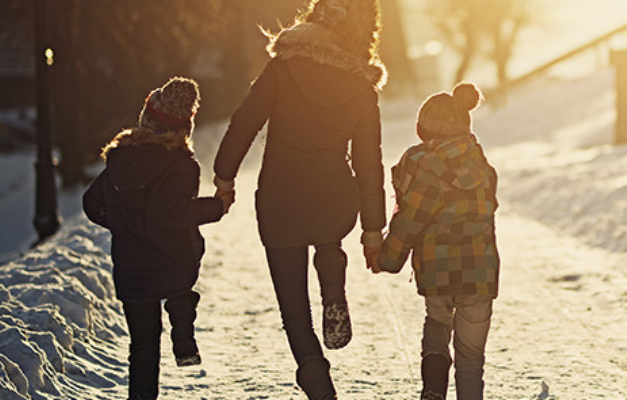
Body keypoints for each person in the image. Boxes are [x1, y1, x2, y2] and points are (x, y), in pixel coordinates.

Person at [211, 0, 387, 398]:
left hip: (280, 198)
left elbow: (244, 123)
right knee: (328, 235)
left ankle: (312, 370)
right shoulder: (361, 87)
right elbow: (368, 164)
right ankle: (333, 279)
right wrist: (373, 232)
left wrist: (224, 177)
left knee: (291, 297)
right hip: (334, 199)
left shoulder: (284, 68)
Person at [82, 77, 233, 400]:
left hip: (131, 270)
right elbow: (172, 213)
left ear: (145, 119)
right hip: (170, 262)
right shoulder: (180, 165)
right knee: (180, 282)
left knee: (143, 347)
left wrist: (125, 224)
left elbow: (92, 204)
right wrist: (216, 206)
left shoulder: (120, 160)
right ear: (183, 129)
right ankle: (183, 329)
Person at [375, 82, 499, 400]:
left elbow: (411, 219)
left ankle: (433, 391)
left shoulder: (427, 165)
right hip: (480, 273)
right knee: (472, 359)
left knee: (437, 325)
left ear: (424, 129)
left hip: (438, 270)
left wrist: (387, 258)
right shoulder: (483, 168)